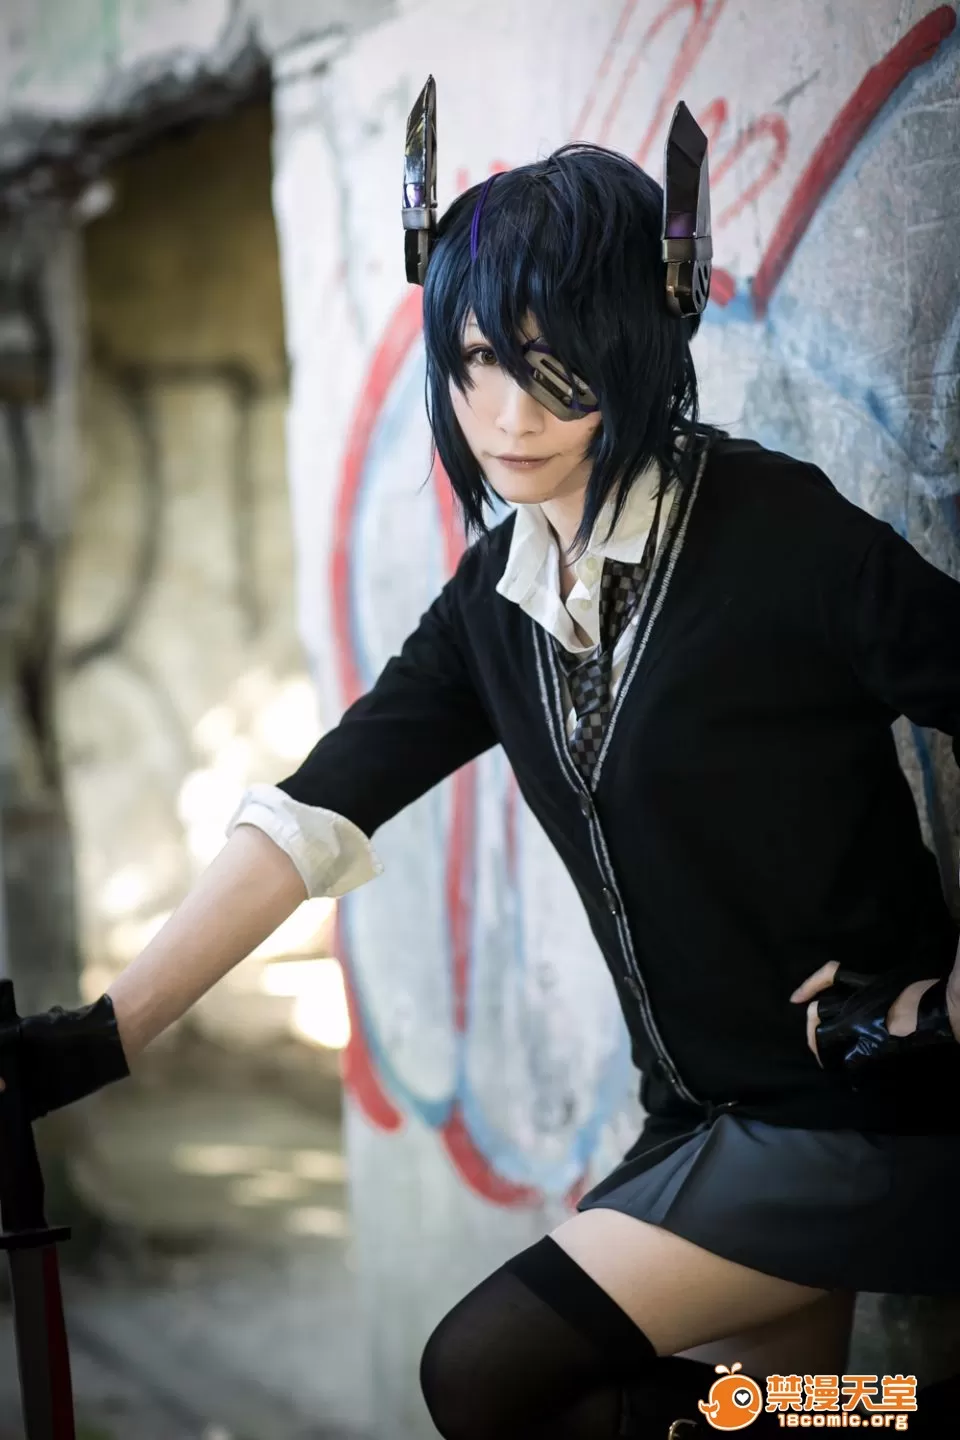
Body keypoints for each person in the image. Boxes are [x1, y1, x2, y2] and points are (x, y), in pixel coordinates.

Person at [8, 89, 960, 1439]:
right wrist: (103, 1038)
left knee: (485, 1373)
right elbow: (314, 813)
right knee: (780, 1419)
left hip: (854, 1115)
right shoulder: (497, 600)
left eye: (557, 365)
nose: (506, 413)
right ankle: (893, 1417)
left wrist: (950, 1006)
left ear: (645, 340)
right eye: (475, 361)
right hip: (702, 1117)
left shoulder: (778, 536)